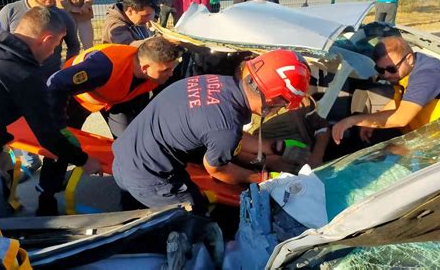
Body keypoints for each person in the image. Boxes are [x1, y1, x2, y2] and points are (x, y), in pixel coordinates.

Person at [112, 49, 311, 214]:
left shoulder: (219, 84)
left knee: (130, 216)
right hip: (149, 176)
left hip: (124, 155)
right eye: (284, 104)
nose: (282, 109)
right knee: (193, 218)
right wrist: (263, 179)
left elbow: (222, 132)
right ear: (273, 99)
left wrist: (273, 146)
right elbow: (217, 169)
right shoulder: (225, 127)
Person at [0, 7, 101, 218]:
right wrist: (84, 160)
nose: (55, 51)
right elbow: (48, 136)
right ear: (46, 39)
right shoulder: (23, 76)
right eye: (56, 44)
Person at [40, 37, 183, 214]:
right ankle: (46, 197)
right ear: (145, 67)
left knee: (131, 148)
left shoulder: (156, 71)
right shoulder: (104, 66)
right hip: (77, 97)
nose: (171, 73)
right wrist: (59, 125)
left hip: (118, 99)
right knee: (60, 146)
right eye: (166, 70)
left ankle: (131, 200)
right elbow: (56, 83)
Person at [332, 36, 440, 145]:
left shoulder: (427, 75)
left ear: (409, 59)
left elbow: (401, 118)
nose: (387, 75)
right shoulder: (406, 71)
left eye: (391, 69)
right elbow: (397, 101)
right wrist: (371, 123)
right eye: (380, 69)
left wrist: (354, 120)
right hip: (417, 133)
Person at [0, 0, 80, 79]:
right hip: (16, 79)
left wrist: (67, 69)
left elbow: (74, 45)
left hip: (50, 79)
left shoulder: (64, 16)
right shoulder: (10, 11)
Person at [236, 97, 331, 173]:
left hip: (309, 164)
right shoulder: (242, 109)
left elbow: (323, 127)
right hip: (272, 175)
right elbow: (233, 150)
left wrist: (317, 155)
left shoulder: (299, 103)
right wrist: (269, 162)